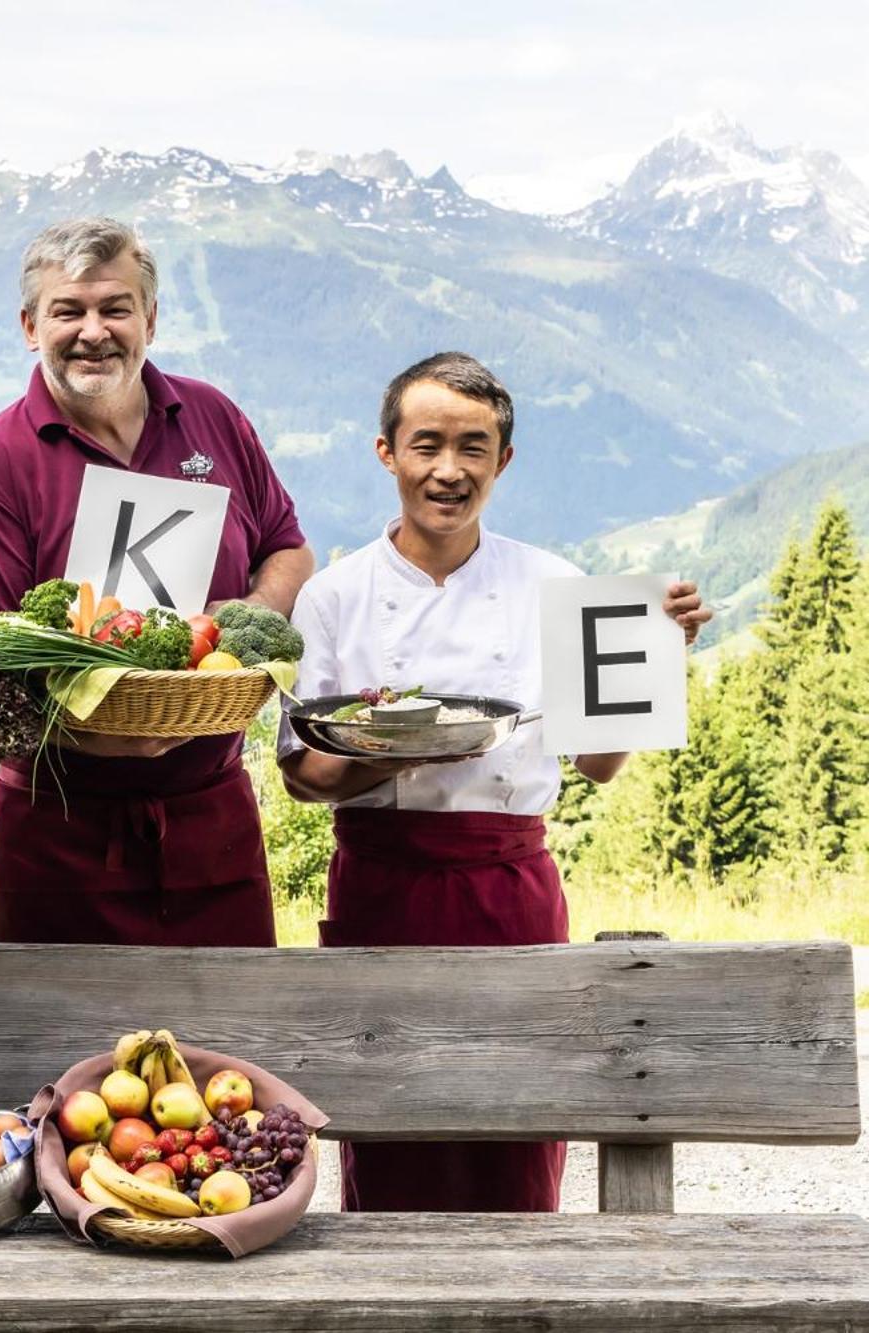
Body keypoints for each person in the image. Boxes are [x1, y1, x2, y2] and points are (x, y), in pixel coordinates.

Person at [277, 350, 710, 1212]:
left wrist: (656, 658)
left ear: (502, 461)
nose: (449, 470)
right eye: (427, 444)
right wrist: (399, 749)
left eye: (473, 447)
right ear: (385, 453)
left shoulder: (554, 582)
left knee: (521, 1128)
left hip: (510, 886)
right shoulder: (333, 595)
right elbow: (306, 775)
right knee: (388, 1126)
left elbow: (596, 763)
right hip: (381, 890)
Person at [0, 216, 313, 947]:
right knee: (51, 1054)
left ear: (150, 318)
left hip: (211, 818)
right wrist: (114, 732)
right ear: (31, 325)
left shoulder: (214, 418)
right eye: (69, 311)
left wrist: (238, 621)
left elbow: (289, 551)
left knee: (230, 1047)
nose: (95, 330)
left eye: (115, 308)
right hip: (56, 834)